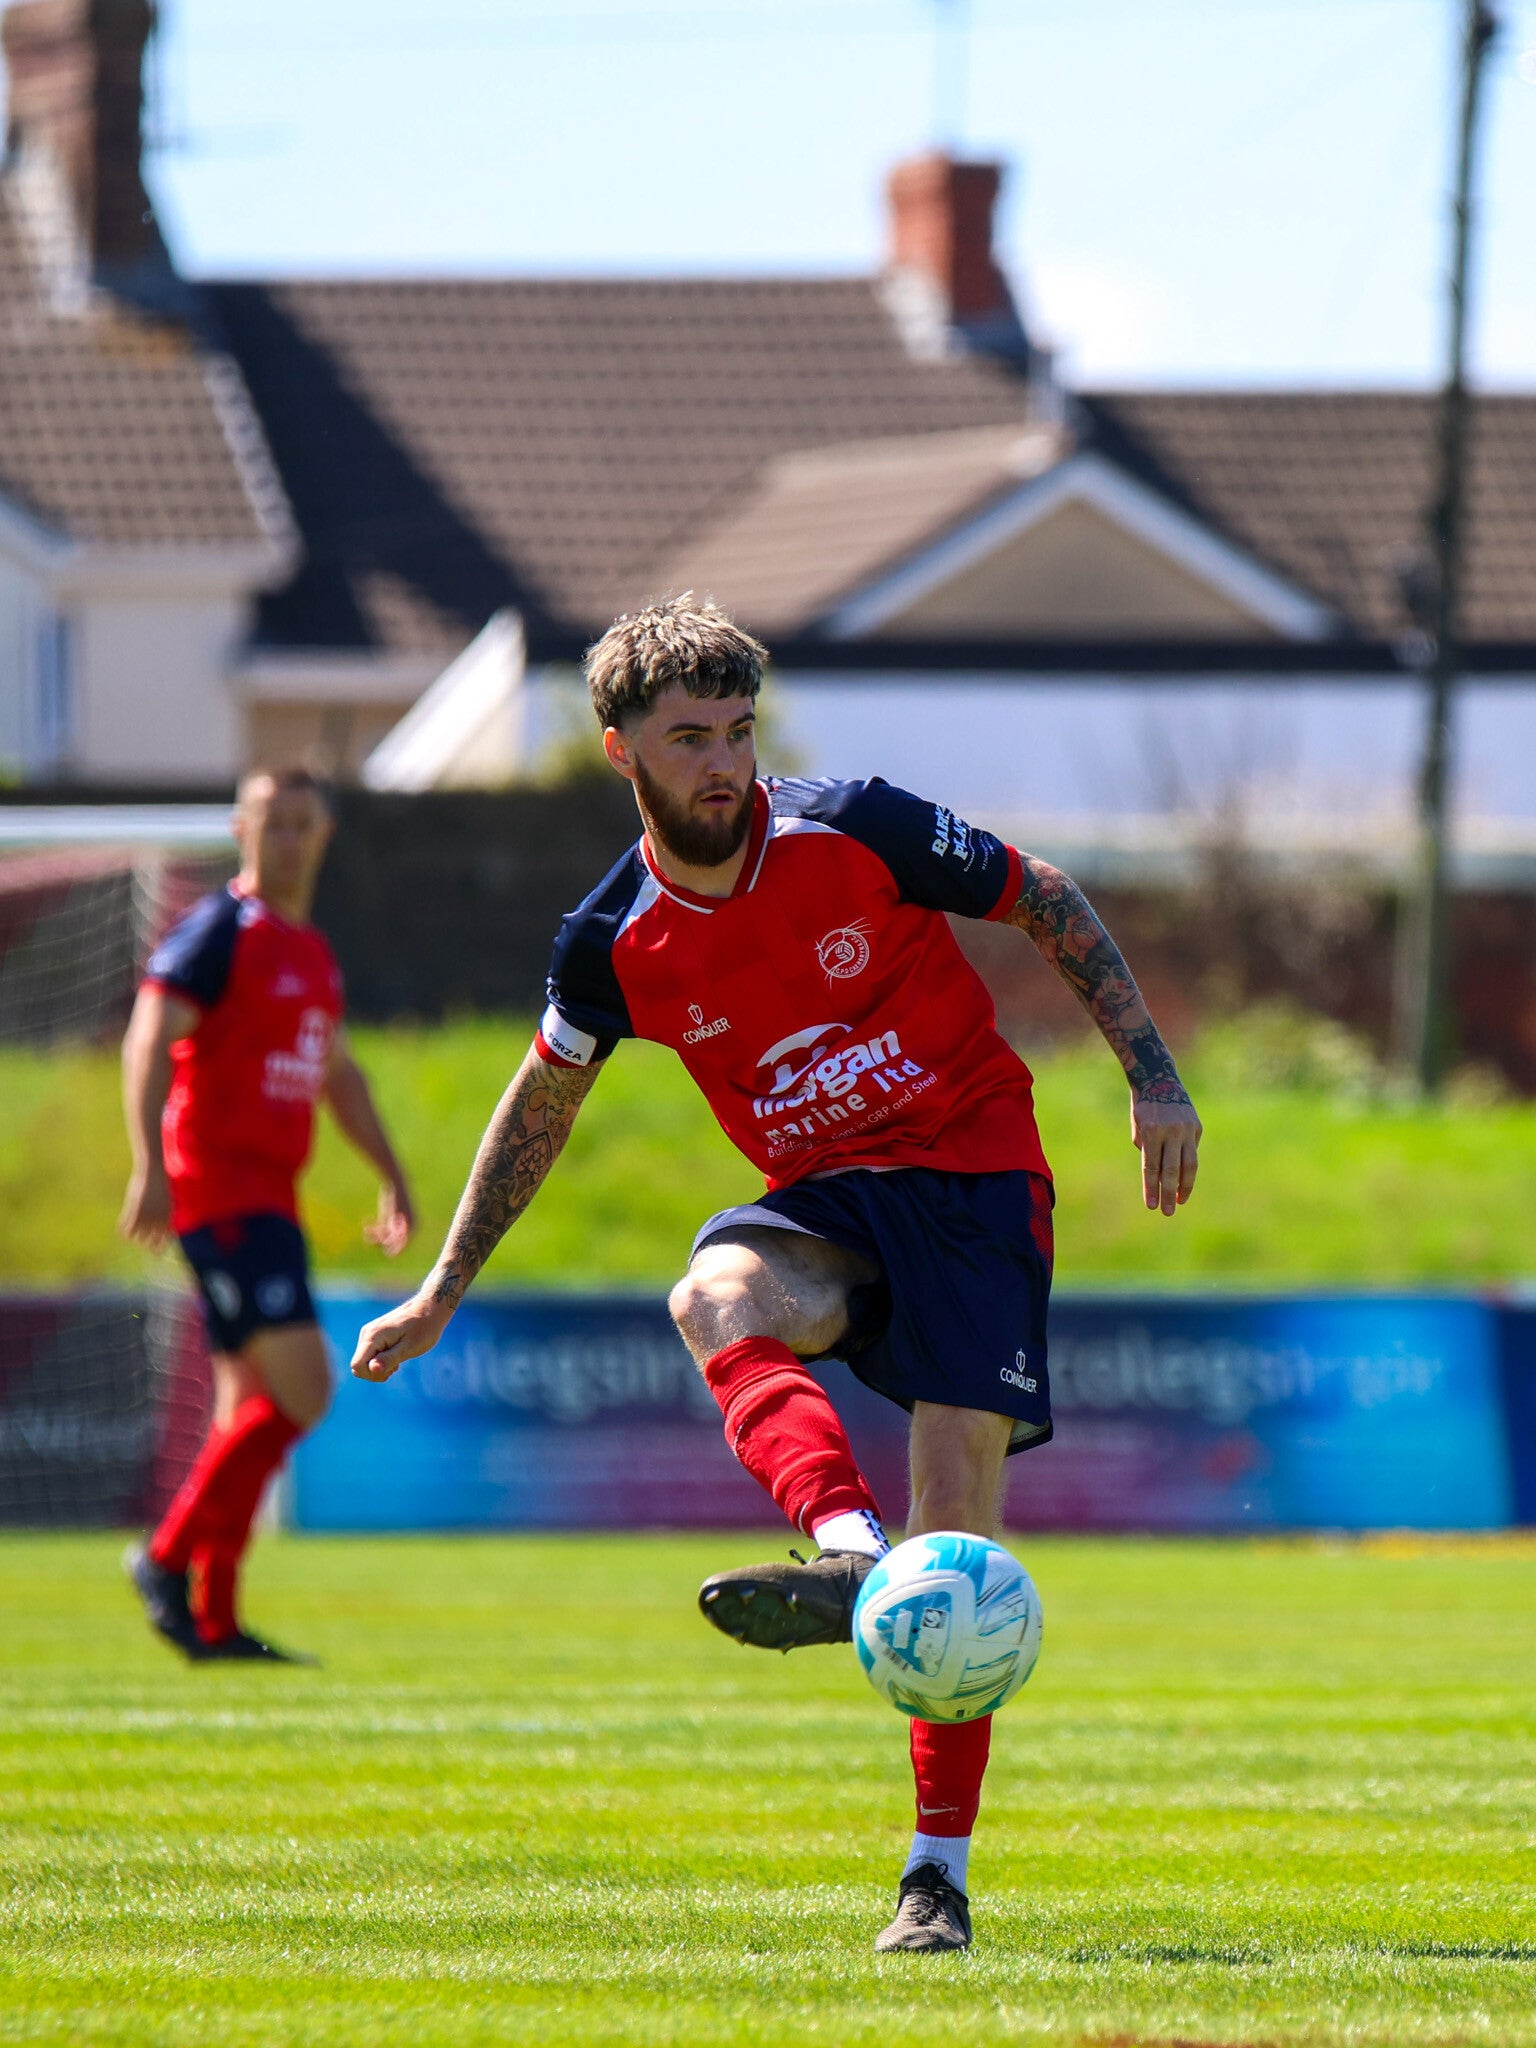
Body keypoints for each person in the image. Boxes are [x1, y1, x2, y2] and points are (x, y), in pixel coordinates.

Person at [350, 597, 1201, 1950]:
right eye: (690, 738)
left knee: (956, 1546)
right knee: (712, 1296)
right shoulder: (612, 939)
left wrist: (1153, 1077)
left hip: (975, 1178)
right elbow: (543, 1100)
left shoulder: (853, 825)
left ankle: (936, 1878)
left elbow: (1042, 895)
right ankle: (850, 1552)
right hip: (828, 1201)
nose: (725, 763)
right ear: (621, 749)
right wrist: (443, 1287)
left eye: (739, 731)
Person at [120, 767, 415, 1662]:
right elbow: (149, 1035)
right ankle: (165, 1557)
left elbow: (339, 1076)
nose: (287, 838)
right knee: (305, 1392)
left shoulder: (310, 952)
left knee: (249, 1406)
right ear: (241, 831)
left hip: (269, 1200)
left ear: (324, 835)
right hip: (222, 1194)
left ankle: (215, 1619)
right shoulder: (221, 929)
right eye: (271, 822)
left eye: (301, 823)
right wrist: (149, 1167)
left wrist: (392, 1174)